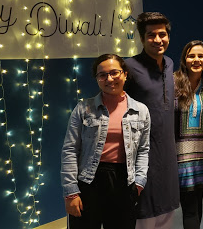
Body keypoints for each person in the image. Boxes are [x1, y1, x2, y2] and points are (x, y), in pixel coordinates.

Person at [61, 54, 150, 229]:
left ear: (124, 74)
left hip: (124, 182)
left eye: (114, 73)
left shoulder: (141, 111)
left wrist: (139, 182)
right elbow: (70, 150)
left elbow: (143, 150)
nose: (109, 79)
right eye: (102, 75)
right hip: (89, 181)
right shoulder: (83, 109)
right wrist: (71, 192)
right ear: (97, 79)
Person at [124, 12, 180, 229]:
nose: (158, 40)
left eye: (162, 34)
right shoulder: (129, 67)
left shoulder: (169, 63)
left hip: (167, 153)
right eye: (151, 35)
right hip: (142, 154)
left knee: (167, 214)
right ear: (141, 38)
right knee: (144, 215)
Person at [174, 40, 203, 229]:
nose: (196, 60)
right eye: (191, 55)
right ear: (184, 59)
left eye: (200, 55)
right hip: (181, 159)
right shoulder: (173, 84)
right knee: (189, 208)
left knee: (197, 205)